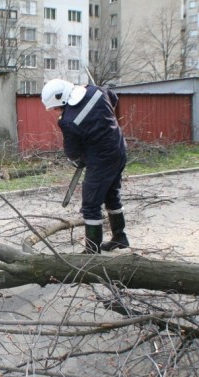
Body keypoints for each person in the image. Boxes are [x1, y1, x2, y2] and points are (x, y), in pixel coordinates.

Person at [41, 78, 129, 254]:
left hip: (101, 160)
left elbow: (72, 151)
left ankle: (92, 251)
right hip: (119, 150)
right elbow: (114, 99)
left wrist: (79, 159)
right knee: (112, 196)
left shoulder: (67, 120)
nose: (56, 111)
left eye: (56, 108)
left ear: (63, 99)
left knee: (91, 206)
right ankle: (120, 238)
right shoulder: (97, 91)